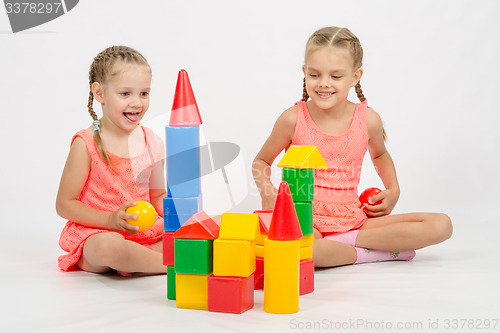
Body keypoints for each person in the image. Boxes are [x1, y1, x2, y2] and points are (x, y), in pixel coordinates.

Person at [252, 27, 453, 267]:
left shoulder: (368, 120)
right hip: (305, 222)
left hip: (353, 219)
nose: (324, 84)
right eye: (315, 75)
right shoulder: (292, 119)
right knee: (300, 249)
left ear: (355, 76)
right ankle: (369, 252)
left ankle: (344, 242)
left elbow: (380, 155)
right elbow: (261, 161)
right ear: (305, 72)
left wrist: (394, 189)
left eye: (335, 77)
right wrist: (267, 191)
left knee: (442, 225)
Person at [56, 46, 167, 275]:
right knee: (110, 247)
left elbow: (156, 196)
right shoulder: (86, 144)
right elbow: (64, 203)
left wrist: (184, 214)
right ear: (100, 93)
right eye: (125, 94)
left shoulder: (153, 142)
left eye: (144, 93)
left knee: (210, 224)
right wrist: (110, 220)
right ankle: (168, 265)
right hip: (98, 233)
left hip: (145, 236)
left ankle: (139, 260)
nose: (137, 103)